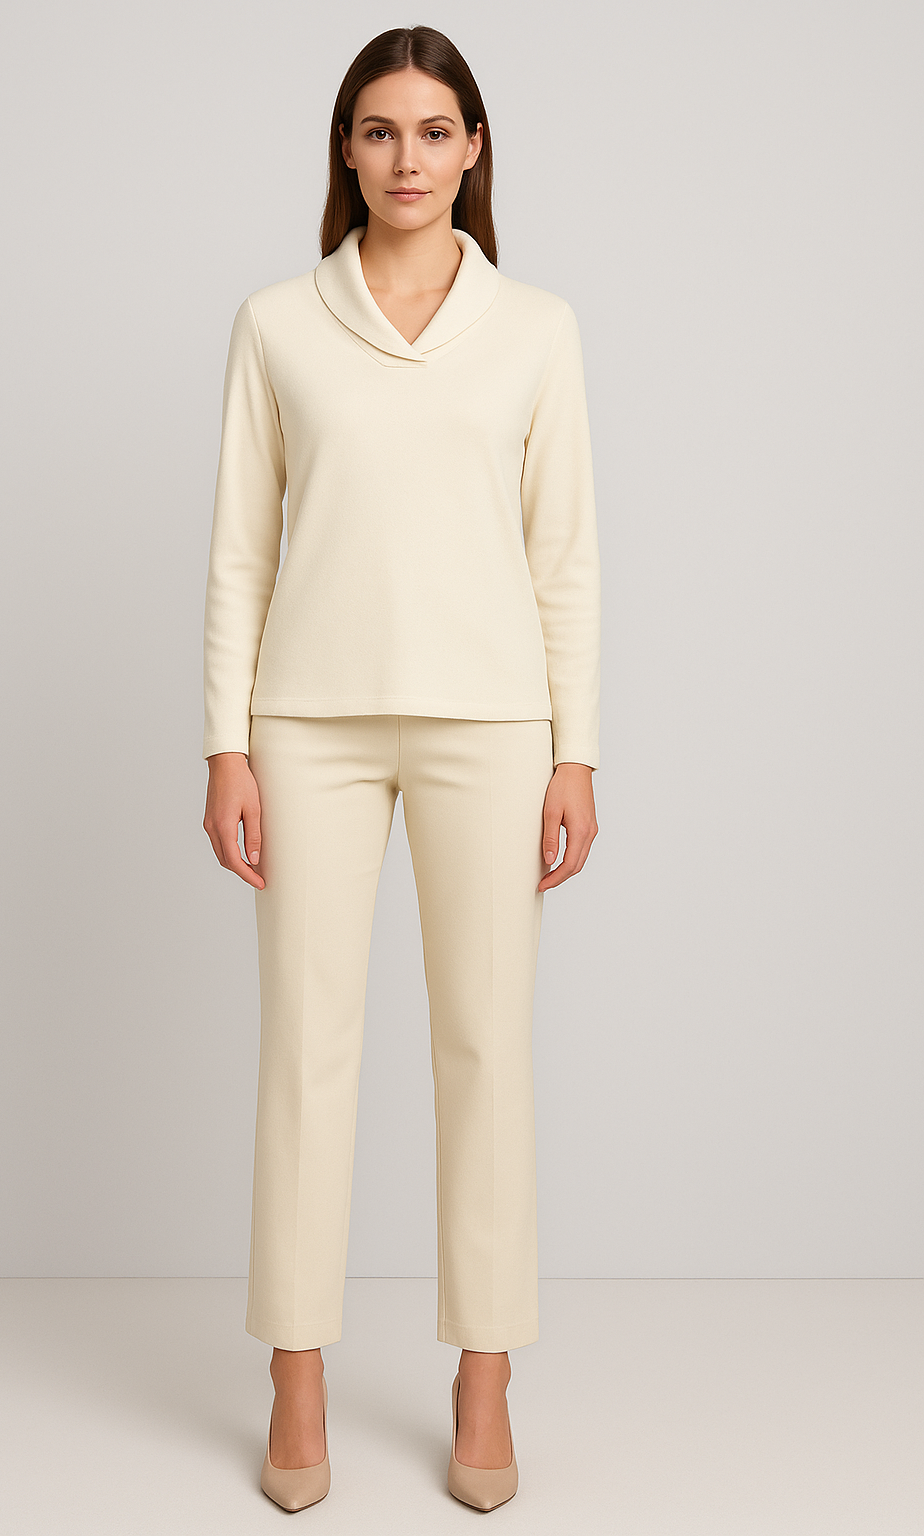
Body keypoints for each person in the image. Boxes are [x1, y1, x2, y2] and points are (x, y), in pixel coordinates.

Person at [201, 24, 600, 1514]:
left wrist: (577, 752)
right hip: (307, 725)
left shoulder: (536, 329)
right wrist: (226, 743)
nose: (408, 158)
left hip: (493, 728)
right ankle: (296, 1372)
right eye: (380, 131)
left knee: (487, 1049)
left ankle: (484, 1375)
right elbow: (240, 551)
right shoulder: (277, 324)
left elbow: (566, 558)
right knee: (304, 1051)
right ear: (346, 151)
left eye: (435, 132)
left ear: (474, 150)